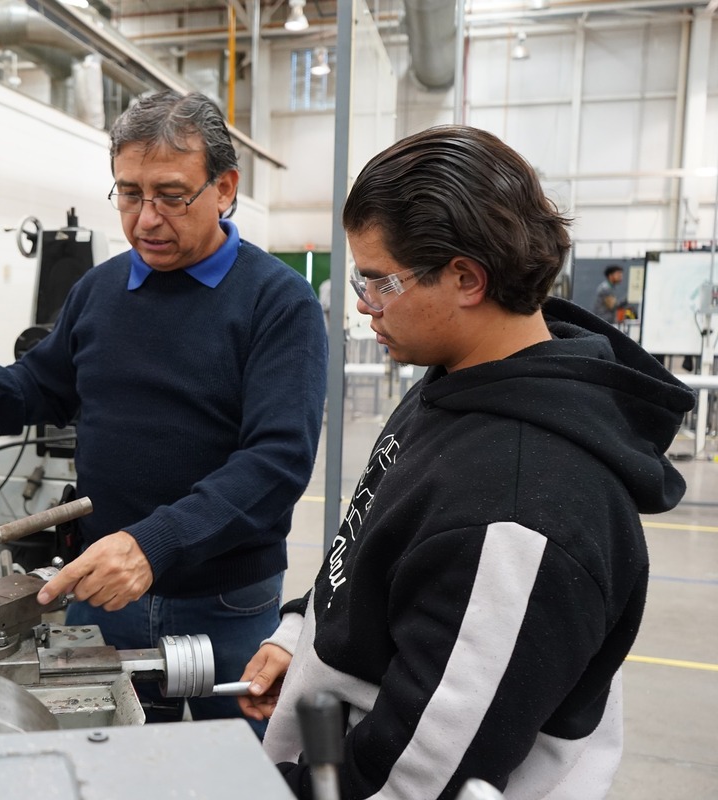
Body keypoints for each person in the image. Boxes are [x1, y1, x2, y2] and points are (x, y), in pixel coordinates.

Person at [237, 125, 694, 798]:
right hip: (330, 745)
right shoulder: (453, 382)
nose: (363, 305)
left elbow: (420, 775)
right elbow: (370, 541)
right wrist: (302, 635)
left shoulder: (523, 513)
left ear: (465, 278)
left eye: (379, 282)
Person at [0, 90, 328, 732]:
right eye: (130, 194)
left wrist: (152, 544)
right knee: (110, 757)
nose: (146, 219)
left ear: (225, 188)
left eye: (171, 195)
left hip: (226, 600)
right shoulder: (99, 289)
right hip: (103, 593)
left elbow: (276, 463)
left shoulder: (278, 302)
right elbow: (42, 386)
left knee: (243, 760)